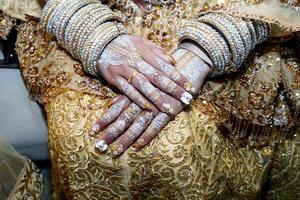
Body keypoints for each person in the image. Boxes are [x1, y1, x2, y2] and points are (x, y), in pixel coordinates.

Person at [0, 0, 299, 199]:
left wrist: (211, 43)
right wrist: (89, 30)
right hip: (93, 9)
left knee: (179, 145)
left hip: (233, 9)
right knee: (86, 139)